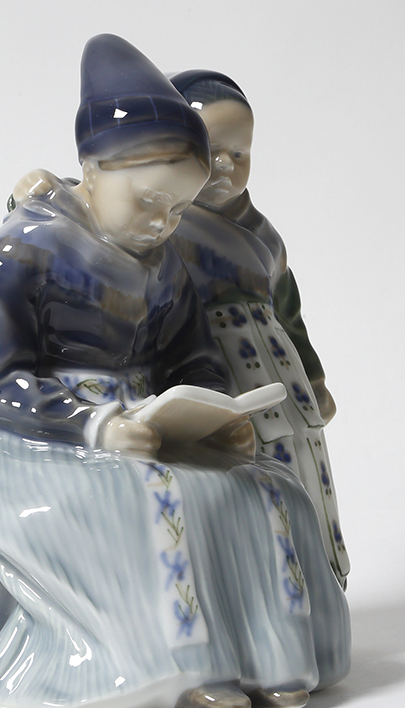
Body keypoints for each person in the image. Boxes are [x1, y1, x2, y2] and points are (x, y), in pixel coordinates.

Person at [0, 35, 350, 708]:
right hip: (23, 430)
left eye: (178, 207)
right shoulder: (23, 252)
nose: (163, 221)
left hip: (141, 418)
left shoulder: (166, 259)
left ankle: (276, 656)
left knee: (266, 489)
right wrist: (96, 424)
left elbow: (191, 354)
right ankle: (169, 671)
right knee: (151, 499)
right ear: (92, 171)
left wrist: (213, 414)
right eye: (148, 201)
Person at [169, 71, 350, 587]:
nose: (226, 166)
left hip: (280, 377)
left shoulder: (266, 237)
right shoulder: (157, 224)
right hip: (209, 373)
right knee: (234, 482)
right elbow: (83, 211)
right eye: (211, 151)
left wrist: (314, 379)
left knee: (300, 470)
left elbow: (289, 313)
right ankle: (254, 594)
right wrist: (32, 191)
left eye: (240, 153)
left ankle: (316, 584)